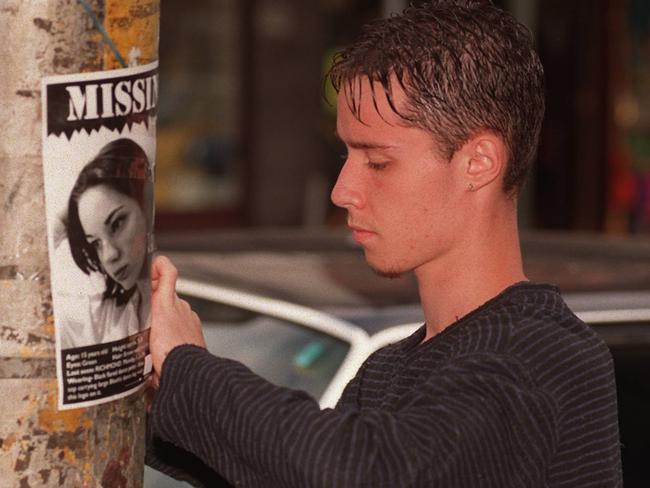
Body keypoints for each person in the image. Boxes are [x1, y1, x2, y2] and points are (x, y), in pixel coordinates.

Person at [146, 1, 622, 486]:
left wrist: (190, 371)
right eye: (345, 154)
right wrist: (144, 386)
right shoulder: (390, 369)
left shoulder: (542, 360)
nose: (342, 190)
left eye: (377, 161)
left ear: (479, 162)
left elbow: (369, 472)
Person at [61, 137, 153, 348]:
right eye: (95, 244)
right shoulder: (103, 317)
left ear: (145, 206)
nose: (109, 256)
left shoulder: (165, 308)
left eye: (117, 224)